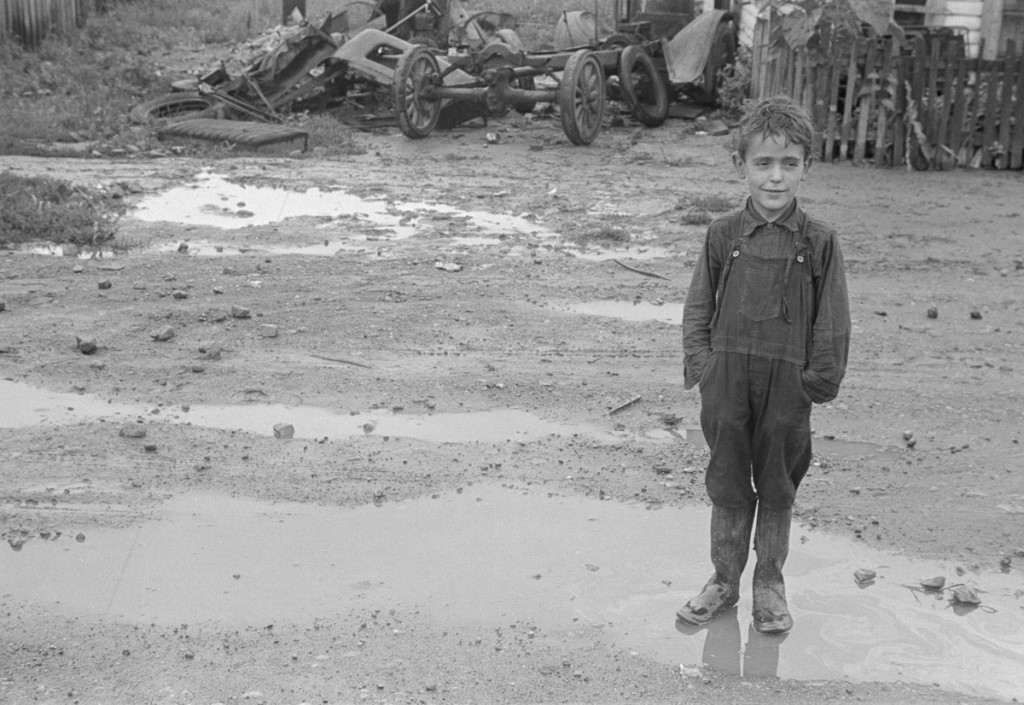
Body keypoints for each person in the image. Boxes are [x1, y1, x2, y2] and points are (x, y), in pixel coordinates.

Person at [676, 95, 851, 635]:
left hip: (787, 384)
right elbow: (698, 305)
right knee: (728, 479)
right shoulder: (722, 234)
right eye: (763, 164)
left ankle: (770, 587)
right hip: (726, 378)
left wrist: (815, 381)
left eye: (789, 164)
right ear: (741, 167)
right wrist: (702, 365)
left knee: (777, 483)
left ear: (806, 168)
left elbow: (833, 319)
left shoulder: (819, 241)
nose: (775, 179)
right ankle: (722, 582)